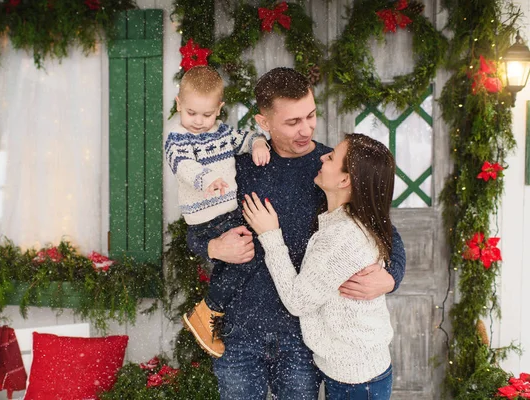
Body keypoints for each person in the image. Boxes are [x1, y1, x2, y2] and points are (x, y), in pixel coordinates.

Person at [187, 67, 406, 400]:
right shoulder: (237, 169)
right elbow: (193, 232)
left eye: (311, 116)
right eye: (292, 122)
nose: (306, 130)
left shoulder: (331, 170)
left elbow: (384, 231)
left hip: (301, 340)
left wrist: (390, 277)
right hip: (241, 334)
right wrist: (215, 247)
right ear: (264, 123)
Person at [242, 133, 396, 399]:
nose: (322, 157)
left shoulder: (344, 236)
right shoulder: (344, 221)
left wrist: (270, 235)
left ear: (345, 180)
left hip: (356, 380)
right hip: (353, 372)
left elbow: (297, 301)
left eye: (332, 157)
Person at [164, 65, 271, 358]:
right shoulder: (177, 138)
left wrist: (259, 142)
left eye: (207, 115)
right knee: (249, 254)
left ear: (219, 109)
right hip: (205, 219)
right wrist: (207, 179)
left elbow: (244, 138)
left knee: (242, 258)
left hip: (228, 214)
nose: (198, 122)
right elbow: (183, 166)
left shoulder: (222, 133)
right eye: (191, 113)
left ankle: (210, 313)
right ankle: (208, 310)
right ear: (178, 104)